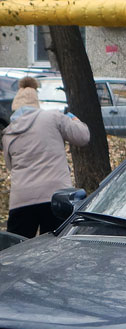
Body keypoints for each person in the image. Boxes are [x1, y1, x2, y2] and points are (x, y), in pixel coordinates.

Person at [2, 76, 90, 237]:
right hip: (56, 198)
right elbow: (83, 136)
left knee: (16, 250)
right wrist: (74, 118)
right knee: (54, 250)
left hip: (22, 199)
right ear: (36, 103)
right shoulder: (53, 117)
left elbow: (10, 166)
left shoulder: (8, 132)